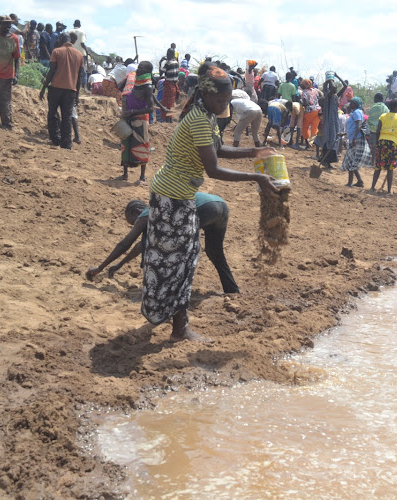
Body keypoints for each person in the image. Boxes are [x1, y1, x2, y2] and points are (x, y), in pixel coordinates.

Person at [143, 64, 278, 341]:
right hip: (174, 197)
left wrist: (255, 151)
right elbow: (214, 169)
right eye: (219, 100)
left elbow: (217, 149)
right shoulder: (199, 120)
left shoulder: (204, 116)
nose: (223, 104)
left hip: (176, 194)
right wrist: (257, 178)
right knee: (180, 261)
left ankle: (168, 318)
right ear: (206, 96)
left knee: (175, 258)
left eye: (227, 100)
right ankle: (179, 329)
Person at [87, 194, 241, 294]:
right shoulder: (159, 212)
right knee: (215, 252)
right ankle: (232, 290)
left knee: (178, 248)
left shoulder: (146, 214)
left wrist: (100, 267)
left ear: (135, 212)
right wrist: (119, 265)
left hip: (202, 209)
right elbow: (141, 245)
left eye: (132, 222)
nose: (135, 225)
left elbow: (125, 244)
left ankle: (174, 293)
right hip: (220, 205)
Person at [119, 64, 166, 183]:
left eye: (141, 68)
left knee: (142, 145)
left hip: (140, 120)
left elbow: (150, 108)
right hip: (129, 117)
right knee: (126, 144)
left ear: (148, 71)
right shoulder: (137, 83)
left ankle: (142, 176)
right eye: (138, 67)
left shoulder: (147, 87)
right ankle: (125, 174)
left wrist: (132, 111)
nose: (138, 69)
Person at [39, 32, 83, 149]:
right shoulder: (79, 55)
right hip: (71, 90)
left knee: (52, 113)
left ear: (61, 39)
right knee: (67, 116)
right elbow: (79, 78)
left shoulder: (56, 51)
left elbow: (51, 71)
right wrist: (77, 95)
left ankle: (55, 139)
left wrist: (43, 88)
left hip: (56, 88)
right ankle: (67, 143)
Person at [371, 99, 397, 194]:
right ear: (396, 108)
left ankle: (372, 187)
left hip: (382, 142)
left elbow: (378, 131)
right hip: (393, 143)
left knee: (378, 166)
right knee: (390, 168)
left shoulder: (383, 116)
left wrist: (378, 143)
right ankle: (389, 191)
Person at [318, 71, 347, 167]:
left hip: (334, 120)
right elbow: (332, 87)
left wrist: (337, 76)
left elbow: (345, 86)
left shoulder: (335, 96)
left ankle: (328, 162)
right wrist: (330, 80)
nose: (335, 88)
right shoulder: (328, 96)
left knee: (333, 138)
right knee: (329, 139)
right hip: (329, 121)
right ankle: (326, 161)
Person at [341, 97, 370, 188]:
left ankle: (350, 182)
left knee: (351, 161)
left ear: (355, 104)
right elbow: (353, 127)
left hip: (356, 139)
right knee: (351, 160)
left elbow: (359, 125)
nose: (350, 104)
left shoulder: (357, 112)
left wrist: (353, 138)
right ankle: (359, 181)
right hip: (354, 138)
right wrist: (345, 133)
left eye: (352, 103)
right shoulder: (354, 113)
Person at [367, 92, 389, 166]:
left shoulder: (374, 107)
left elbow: (370, 118)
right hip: (383, 130)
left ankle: (372, 162)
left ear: (376, 99)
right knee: (381, 147)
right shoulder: (386, 108)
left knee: (373, 146)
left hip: (373, 130)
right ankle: (380, 162)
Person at [159, 48, 179, 122]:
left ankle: (168, 121)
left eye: (167, 54)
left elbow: (161, 72)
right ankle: (170, 120)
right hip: (174, 86)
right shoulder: (176, 62)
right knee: (171, 104)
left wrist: (160, 62)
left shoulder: (168, 63)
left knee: (166, 104)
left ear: (169, 54)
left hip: (169, 86)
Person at [299, 78, 320, 147]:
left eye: (302, 84)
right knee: (314, 127)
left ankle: (307, 143)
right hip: (317, 111)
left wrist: (301, 103)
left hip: (309, 111)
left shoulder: (304, 92)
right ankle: (314, 143)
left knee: (305, 127)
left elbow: (304, 102)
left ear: (305, 85)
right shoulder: (315, 90)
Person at [69, 20, 88, 88]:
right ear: (80, 25)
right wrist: (87, 52)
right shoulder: (82, 32)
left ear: (74, 24)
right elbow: (82, 43)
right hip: (81, 54)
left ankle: (72, 84)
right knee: (82, 70)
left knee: (72, 69)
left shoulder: (69, 31)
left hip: (71, 53)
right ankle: (83, 86)